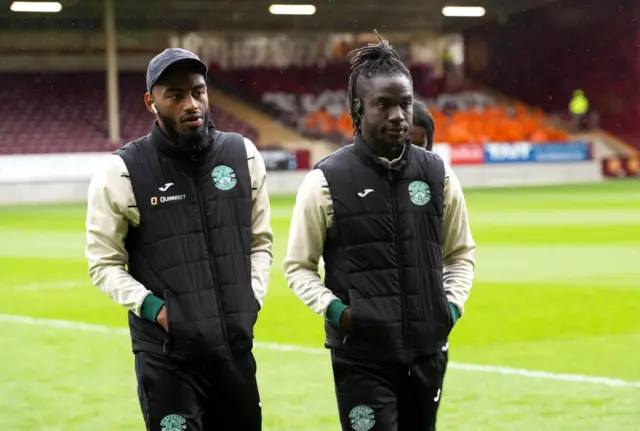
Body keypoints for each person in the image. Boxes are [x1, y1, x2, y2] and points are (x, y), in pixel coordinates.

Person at [283, 32, 475, 431]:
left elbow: (460, 253)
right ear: (358, 109)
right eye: (383, 105)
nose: (398, 116)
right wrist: (340, 313)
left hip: (427, 353)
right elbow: (298, 266)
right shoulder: (324, 182)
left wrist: (450, 307)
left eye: (404, 104)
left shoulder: (438, 175)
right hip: (361, 359)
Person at [85, 48, 273, 431]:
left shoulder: (243, 155)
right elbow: (102, 263)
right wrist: (155, 309)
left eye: (198, 91)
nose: (191, 104)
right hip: (167, 357)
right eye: (175, 95)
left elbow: (260, 242)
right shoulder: (121, 171)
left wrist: (249, 299)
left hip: (233, 351)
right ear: (150, 101)